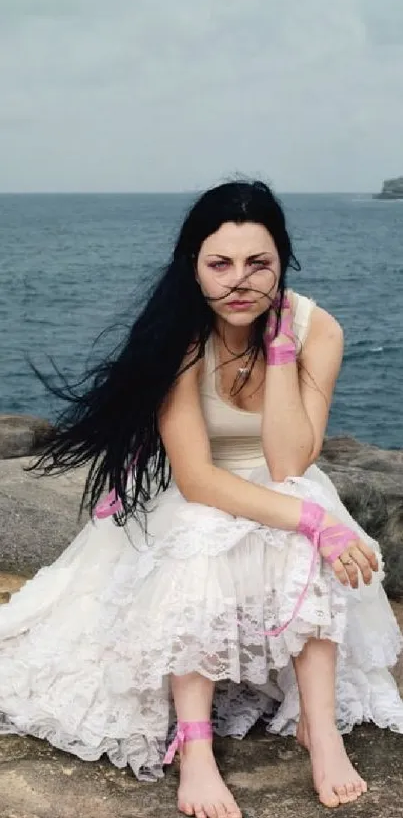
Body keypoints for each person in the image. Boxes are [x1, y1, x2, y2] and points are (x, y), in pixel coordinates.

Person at [0, 180, 402, 818]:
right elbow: (196, 478)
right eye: (220, 264)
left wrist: (279, 351)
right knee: (211, 533)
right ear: (193, 266)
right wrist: (315, 520)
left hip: (278, 478)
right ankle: (195, 747)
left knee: (301, 506)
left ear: (282, 263)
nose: (239, 281)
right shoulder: (178, 336)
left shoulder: (317, 329)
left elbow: (288, 460)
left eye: (258, 264)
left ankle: (319, 731)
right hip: (198, 490)